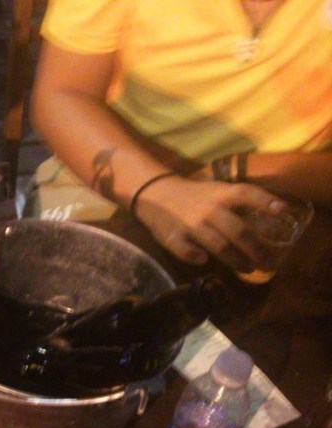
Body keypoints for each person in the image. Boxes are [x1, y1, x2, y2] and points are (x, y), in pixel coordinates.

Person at [28, 0, 332, 275]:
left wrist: (233, 170)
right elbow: (63, 95)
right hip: (114, 168)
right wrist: (158, 192)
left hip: (294, 201)